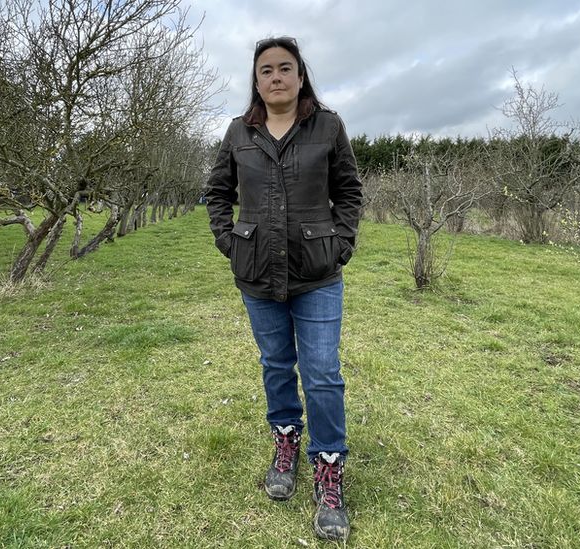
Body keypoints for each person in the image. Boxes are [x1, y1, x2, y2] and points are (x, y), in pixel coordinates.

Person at [204, 36, 362, 542]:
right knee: (275, 365)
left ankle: (329, 471)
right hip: (256, 273)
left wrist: (340, 244)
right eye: (266, 70)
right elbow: (217, 193)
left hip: (317, 274)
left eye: (285, 68)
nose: (275, 77)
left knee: (322, 374)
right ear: (256, 80)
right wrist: (230, 242)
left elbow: (350, 192)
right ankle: (287, 443)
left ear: (300, 76)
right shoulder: (237, 132)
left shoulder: (329, 126)